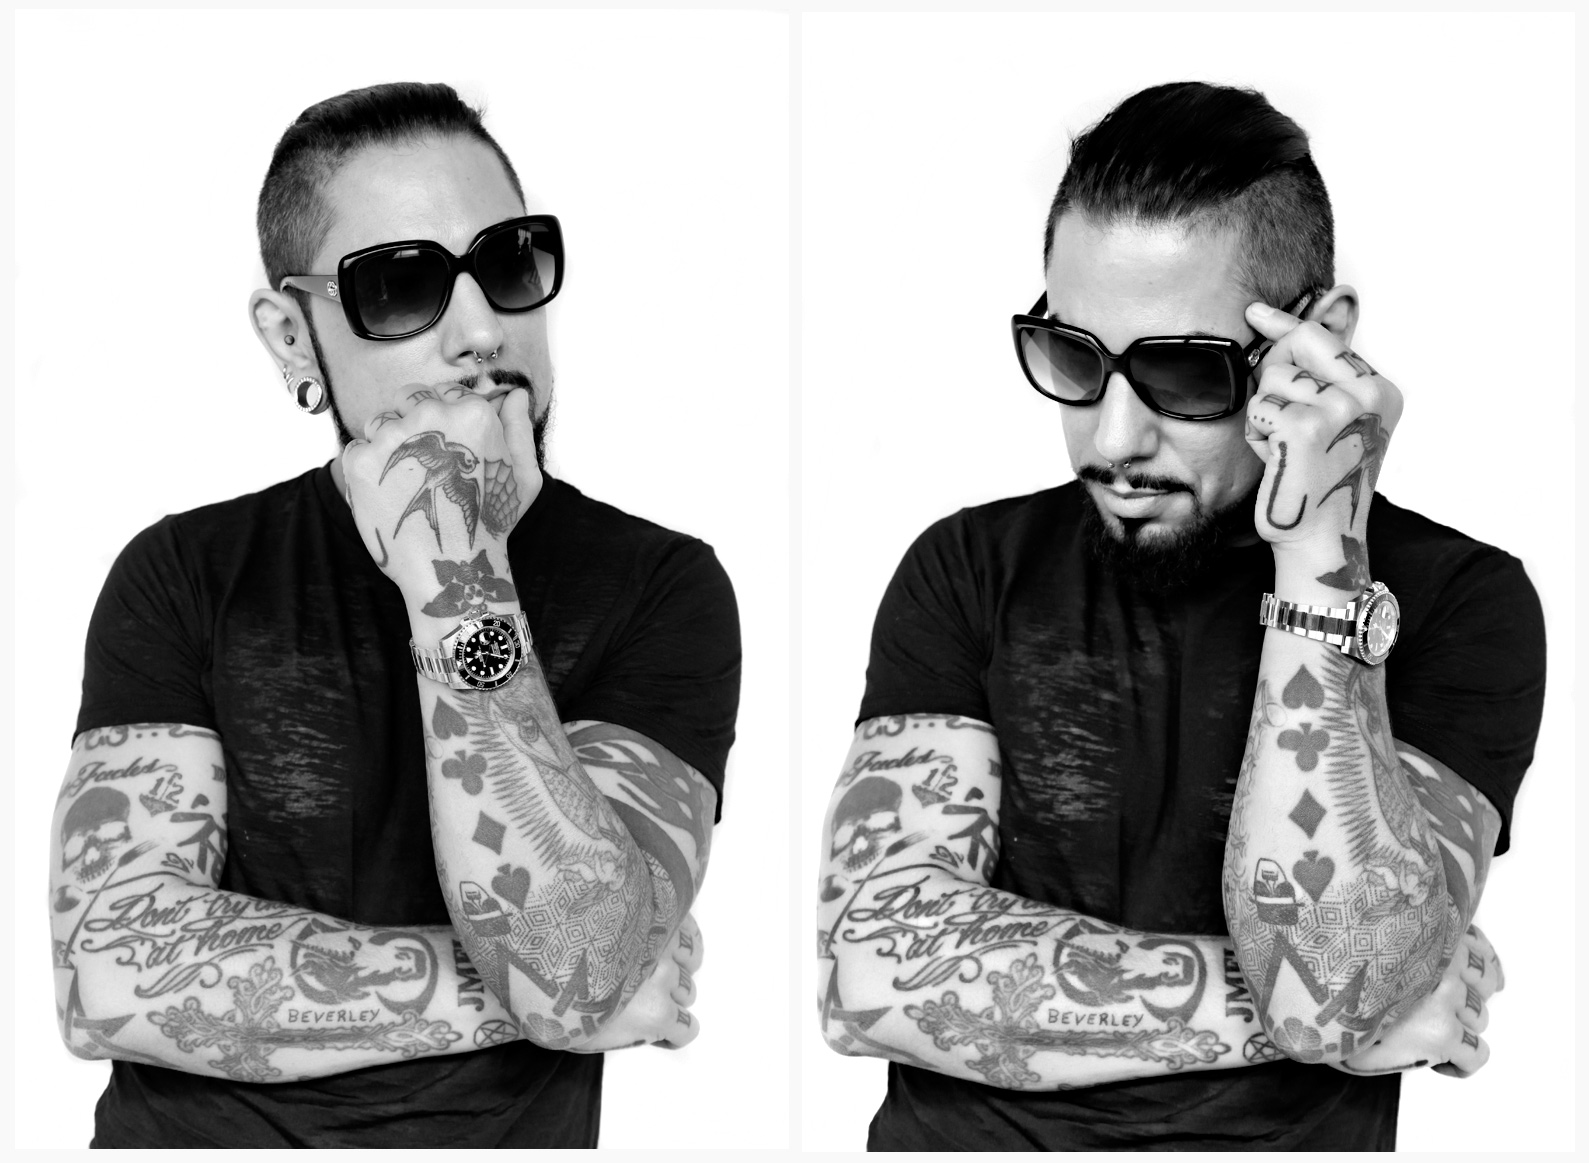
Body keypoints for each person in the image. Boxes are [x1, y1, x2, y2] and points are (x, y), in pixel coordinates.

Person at [815, 81, 1543, 1151]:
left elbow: (1340, 975)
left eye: (1179, 373)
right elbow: (869, 973)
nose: (1113, 438)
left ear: (1317, 343)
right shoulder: (968, 568)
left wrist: (1318, 559)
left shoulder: (1455, 601)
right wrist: (1315, 1014)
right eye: (1072, 356)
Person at [50, 82, 740, 1149]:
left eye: (508, 262)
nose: (481, 329)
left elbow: (574, 961)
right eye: (401, 285)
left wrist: (455, 567)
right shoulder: (185, 572)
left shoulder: (660, 585)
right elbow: (109, 975)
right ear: (292, 336)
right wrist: (526, 995)